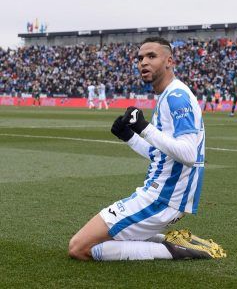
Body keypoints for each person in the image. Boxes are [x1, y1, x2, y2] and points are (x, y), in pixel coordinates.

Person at [69, 37, 226, 261]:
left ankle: (175, 250)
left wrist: (144, 127)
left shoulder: (177, 97)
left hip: (162, 198)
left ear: (169, 60)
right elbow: (161, 154)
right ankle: (169, 240)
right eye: (140, 58)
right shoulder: (166, 96)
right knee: (95, 244)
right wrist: (130, 137)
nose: (143, 62)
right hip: (159, 193)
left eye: (151, 56)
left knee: (80, 248)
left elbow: (190, 155)